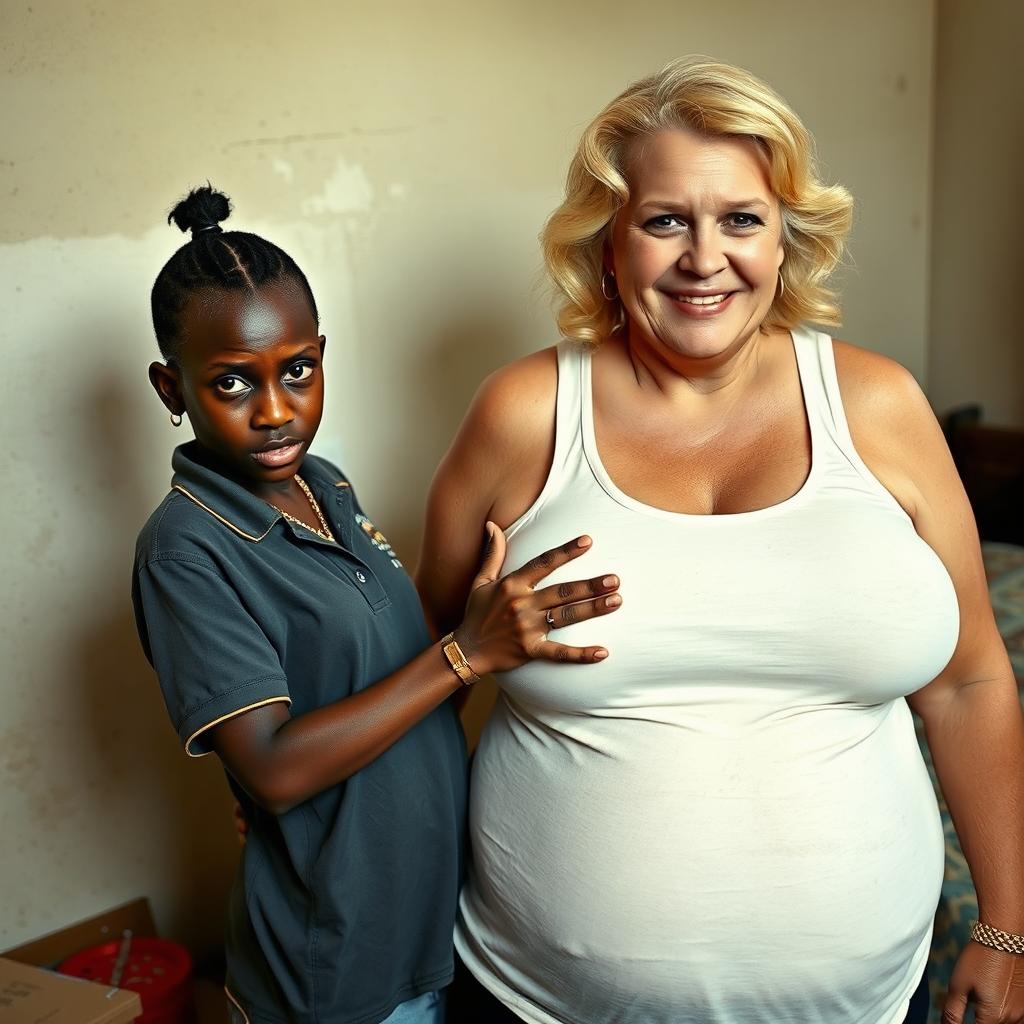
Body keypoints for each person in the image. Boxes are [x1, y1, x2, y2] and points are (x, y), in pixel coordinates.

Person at [417, 58, 1024, 1024]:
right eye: (666, 221)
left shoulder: (881, 407)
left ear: (787, 239)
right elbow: (425, 679)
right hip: (539, 1001)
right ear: (608, 244)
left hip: (869, 1003)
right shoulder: (524, 414)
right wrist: (320, 809)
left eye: (741, 218)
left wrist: (1005, 925)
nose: (706, 258)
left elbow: (969, 681)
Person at [131, 186, 622, 1024]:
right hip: (339, 967)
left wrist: (488, 632)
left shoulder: (325, 486)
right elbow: (279, 772)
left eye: (296, 370)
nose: (277, 409)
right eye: (230, 384)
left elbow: (400, 689)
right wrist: (464, 652)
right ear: (171, 388)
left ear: (321, 355)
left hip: (434, 929)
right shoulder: (185, 549)